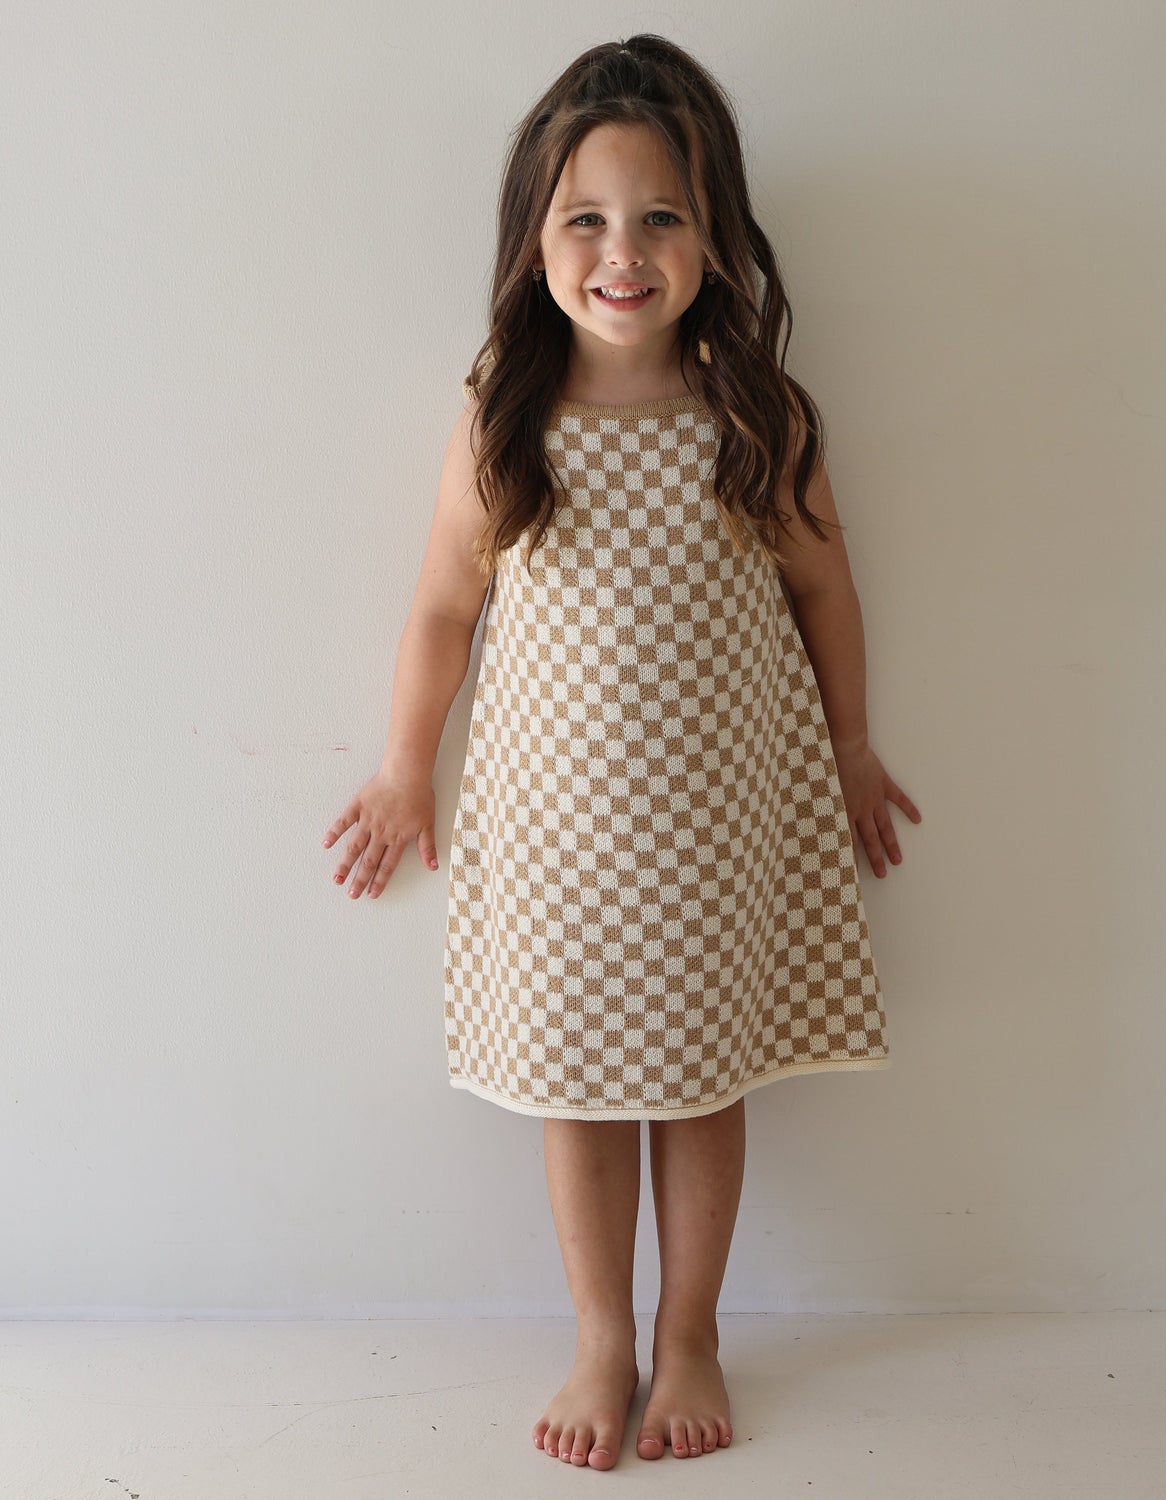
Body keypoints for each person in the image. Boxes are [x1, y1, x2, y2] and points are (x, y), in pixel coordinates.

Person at [320, 33, 921, 1473]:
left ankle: (690, 1330)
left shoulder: (755, 421)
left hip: (717, 830)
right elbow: (443, 607)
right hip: (558, 840)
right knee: (576, 1086)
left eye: (661, 216)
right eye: (585, 218)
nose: (624, 252)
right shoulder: (507, 424)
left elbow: (826, 589)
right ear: (535, 242)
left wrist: (850, 743)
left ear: (715, 236)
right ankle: (601, 1335)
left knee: (700, 1082)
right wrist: (404, 765)